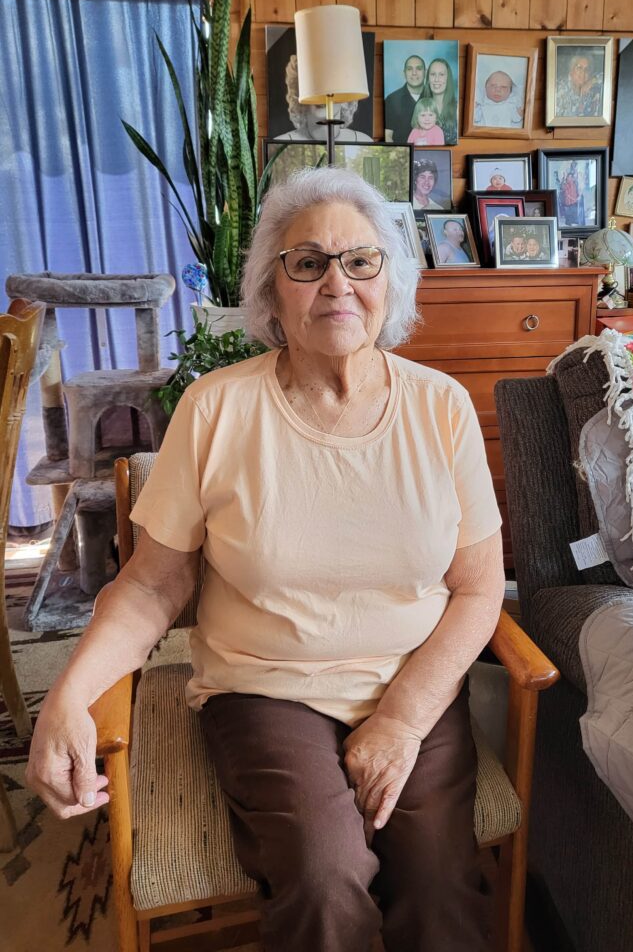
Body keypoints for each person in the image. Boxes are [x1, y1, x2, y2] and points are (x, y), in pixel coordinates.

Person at [25, 168, 504, 952]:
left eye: (360, 261)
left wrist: (404, 718)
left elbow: (480, 588)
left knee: (438, 880)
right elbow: (153, 581)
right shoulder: (218, 407)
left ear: (391, 280)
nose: (337, 283)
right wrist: (68, 696)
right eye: (307, 262)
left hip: (410, 679)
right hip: (266, 688)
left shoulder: (440, 406)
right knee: (323, 874)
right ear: (272, 293)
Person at [276, 55, 372, 142]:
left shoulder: (364, 141)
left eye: (332, 86)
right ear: (298, 92)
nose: (323, 95)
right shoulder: (282, 143)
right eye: (314, 85)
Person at [385, 54, 426, 144]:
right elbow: (387, 136)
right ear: (404, 73)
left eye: (419, 68)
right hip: (401, 155)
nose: (414, 73)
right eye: (409, 69)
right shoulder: (391, 100)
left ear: (425, 72)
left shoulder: (433, 97)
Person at [422, 58, 459, 146]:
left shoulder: (457, 108)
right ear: (428, 79)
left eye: (441, 74)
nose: (436, 79)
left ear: (448, 79)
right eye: (433, 74)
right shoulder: (421, 108)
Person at [555, 51, 603, 118]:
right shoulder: (560, 88)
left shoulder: (591, 85)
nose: (583, 72)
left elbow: (606, 76)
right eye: (579, 68)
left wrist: (592, 81)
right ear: (571, 71)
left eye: (586, 69)